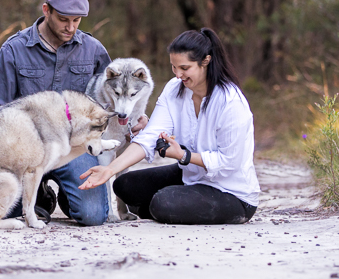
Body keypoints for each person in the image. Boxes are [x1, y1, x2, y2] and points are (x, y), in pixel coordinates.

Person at [0, 0, 144, 225]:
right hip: (28, 148)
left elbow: (110, 105)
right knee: (5, 210)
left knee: (93, 216)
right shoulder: (14, 49)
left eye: (76, 20)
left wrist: (131, 121)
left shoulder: (94, 50)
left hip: (75, 147)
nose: (70, 27)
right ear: (46, 10)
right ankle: (40, 195)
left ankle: (70, 197)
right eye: (63, 19)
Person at [78, 28, 259, 225]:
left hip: (230, 191)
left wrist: (184, 156)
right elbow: (148, 137)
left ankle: (166, 207)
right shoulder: (174, 89)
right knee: (124, 185)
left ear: (205, 61)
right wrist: (109, 170)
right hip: (191, 176)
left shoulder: (230, 102)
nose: (178, 74)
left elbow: (230, 162)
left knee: (163, 202)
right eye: (174, 67)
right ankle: (171, 205)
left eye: (184, 68)